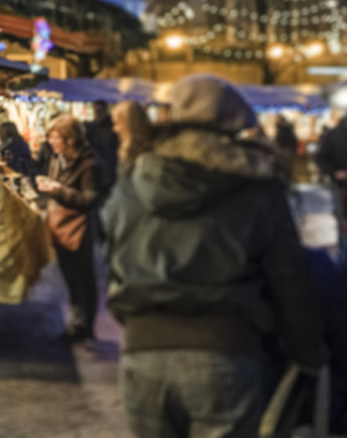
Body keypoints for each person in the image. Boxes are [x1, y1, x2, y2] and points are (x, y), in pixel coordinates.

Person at [105, 74, 323, 438]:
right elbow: (288, 277)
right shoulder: (257, 188)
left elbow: (112, 257)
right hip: (224, 349)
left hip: (142, 352)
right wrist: (308, 355)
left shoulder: (133, 182)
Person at [35, 114, 100, 342]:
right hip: (61, 225)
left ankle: (84, 328)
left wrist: (58, 190)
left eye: (55, 137)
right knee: (71, 279)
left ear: (70, 139)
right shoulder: (58, 158)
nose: (50, 141)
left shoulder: (89, 164)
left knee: (83, 278)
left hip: (78, 229)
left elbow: (90, 199)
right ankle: (77, 324)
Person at [85, 99, 121, 197]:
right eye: (96, 111)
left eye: (100, 111)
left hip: (110, 169)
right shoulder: (91, 127)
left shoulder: (112, 128)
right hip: (97, 170)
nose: (98, 114)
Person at [111, 101, 153, 173]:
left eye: (117, 123)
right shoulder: (127, 149)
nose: (114, 129)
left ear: (129, 123)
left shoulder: (147, 157)